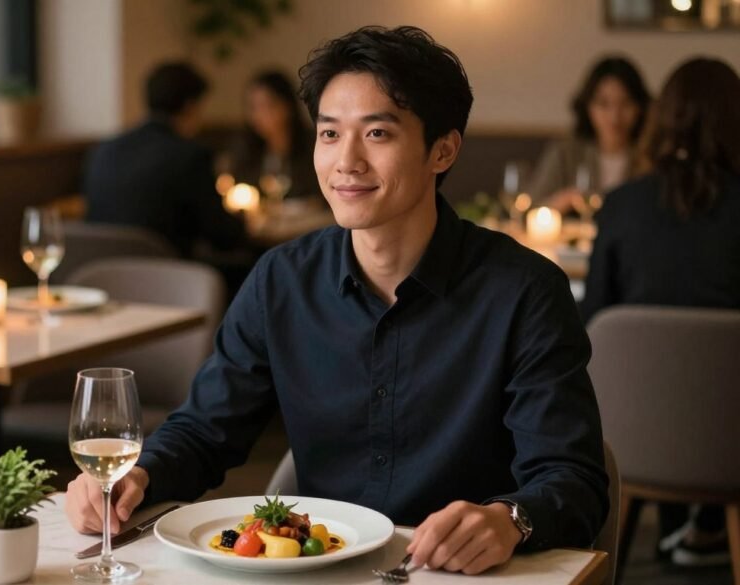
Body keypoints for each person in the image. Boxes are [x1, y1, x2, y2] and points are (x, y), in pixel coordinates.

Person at [66, 26, 608, 576]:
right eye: (329, 134)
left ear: (442, 150)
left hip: (460, 572)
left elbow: (573, 479)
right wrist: (140, 476)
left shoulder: (524, 291)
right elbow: (206, 430)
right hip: (320, 569)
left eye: (376, 134)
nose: (346, 162)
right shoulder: (281, 280)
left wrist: (510, 517)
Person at [581, 57, 740, 567]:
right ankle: (704, 528)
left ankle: (686, 529)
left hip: (635, 438)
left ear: (662, 118)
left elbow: (591, 328)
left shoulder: (624, 205)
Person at [84, 62, 246, 258]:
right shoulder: (190, 156)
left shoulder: (103, 150)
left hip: (100, 270)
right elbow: (222, 235)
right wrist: (244, 219)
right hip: (167, 280)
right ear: (190, 106)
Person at [529, 57, 651, 214]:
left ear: (640, 108)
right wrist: (564, 200)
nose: (615, 117)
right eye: (603, 104)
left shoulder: (649, 155)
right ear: (588, 107)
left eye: (625, 103)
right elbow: (530, 209)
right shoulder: (566, 153)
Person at [226, 70, 319, 201]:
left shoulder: (312, 145)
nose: (258, 116)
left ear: (287, 106)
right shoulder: (247, 147)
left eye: (267, 106)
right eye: (253, 107)